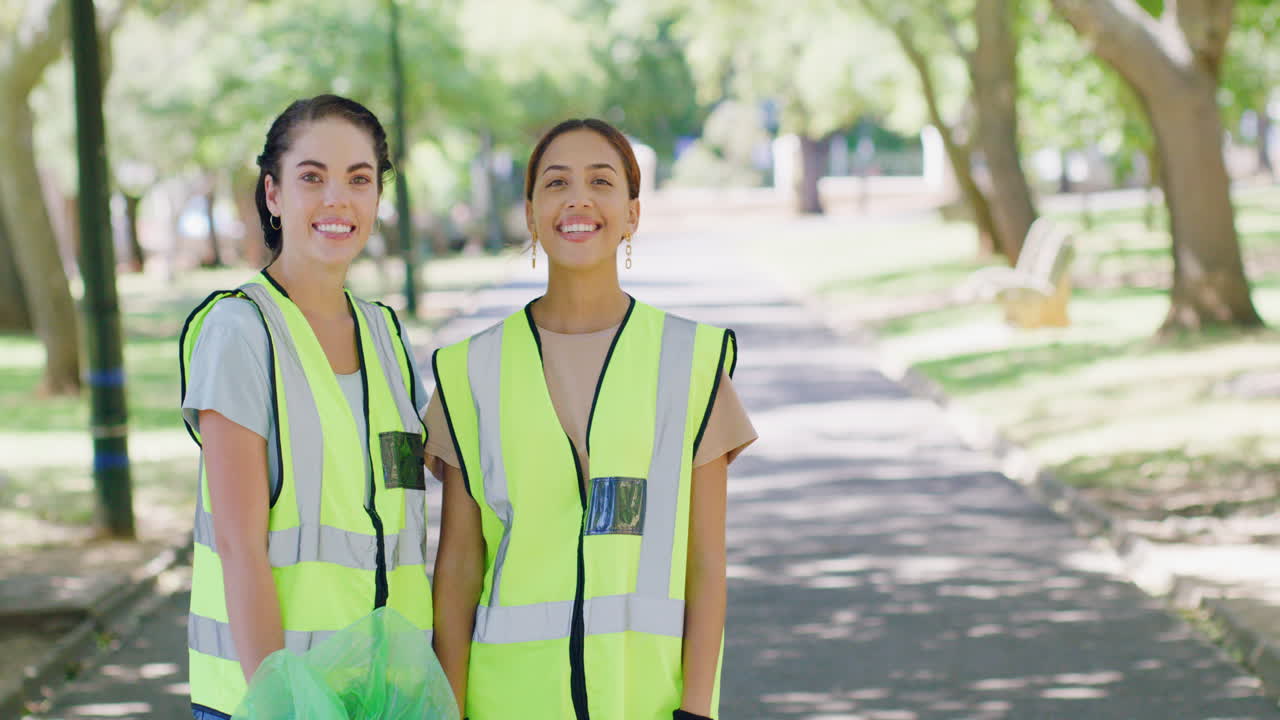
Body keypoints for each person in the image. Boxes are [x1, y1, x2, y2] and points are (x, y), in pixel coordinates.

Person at [428, 118, 756, 720]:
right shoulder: (471, 370)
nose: (578, 198)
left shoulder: (691, 361)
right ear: (530, 215)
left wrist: (697, 709)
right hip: (506, 702)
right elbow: (457, 568)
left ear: (632, 213)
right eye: (556, 183)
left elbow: (706, 562)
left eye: (600, 181)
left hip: (647, 703)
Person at [179, 95, 432, 719]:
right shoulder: (241, 331)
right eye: (311, 177)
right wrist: (281, 704)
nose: (337, 200)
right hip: (278, 699)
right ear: (273, 194)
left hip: (383, 696)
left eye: (359, 179)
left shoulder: (385, 336)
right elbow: (241, 548)